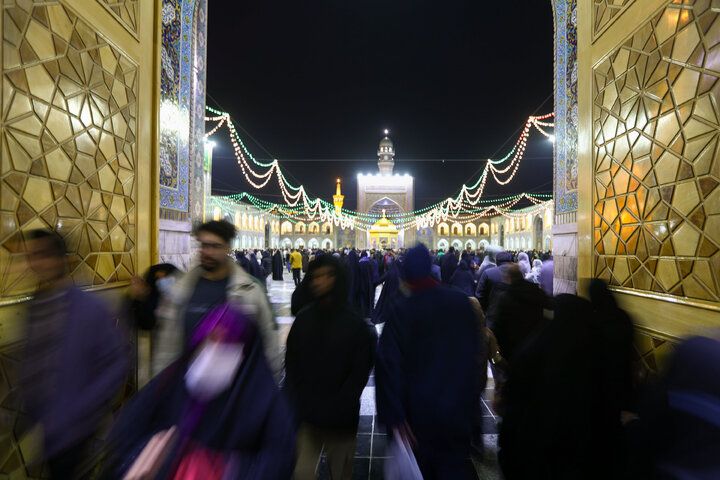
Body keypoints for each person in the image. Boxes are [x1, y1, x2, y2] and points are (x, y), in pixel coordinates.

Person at [104, 304, 295, 479]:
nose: (214, 351)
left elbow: (280, 458)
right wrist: (157, 456)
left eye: (227, 342)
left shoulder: (264, 400)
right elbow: (129, 428)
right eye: (210, 339)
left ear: (246, 353)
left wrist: (222, 470)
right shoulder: (172, 380)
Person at [21, 230, 128, 479]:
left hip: (79, 432)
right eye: (32, 256)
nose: (36, 263)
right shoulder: (35, 306)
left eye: (43, 255)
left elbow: (115, 367)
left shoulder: (91, 308)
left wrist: (79, 412)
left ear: (63, 260)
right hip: (49, 429)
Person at [376, 244, 481, 480]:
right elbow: (473, 359)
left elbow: (387, 364)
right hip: (455, 412)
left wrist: (395, 417)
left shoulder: (402, 309)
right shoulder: (460, 303)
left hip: (415, 418)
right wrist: (471, 411)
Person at [499, 294, 618, 479]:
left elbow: (514, 405)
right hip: (578, 457)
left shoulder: (533, 349)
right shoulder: (596, 357)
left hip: (532, 452)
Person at [285, 254, 374, 480]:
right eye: (316, 276)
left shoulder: (356, 325)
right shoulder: (304, 320)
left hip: (340, 422)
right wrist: (295, 402)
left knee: (340, 473)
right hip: (308, 418)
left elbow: (358, 375)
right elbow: (292, 365)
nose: (321, 282)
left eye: (328, 276)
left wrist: (340, 405)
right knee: (302, 472)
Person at [154, 220, 281, 379]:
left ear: (227, 248)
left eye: (215, 246)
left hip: (238, 391)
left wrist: (266, 389)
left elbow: (269, 343)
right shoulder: (180, 289)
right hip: (186, 388)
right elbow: (167, 347)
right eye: (204, 245)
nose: (207, 252)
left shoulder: (250, 291)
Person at [487, 264, 546, 366]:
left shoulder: (505, 297)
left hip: (513, 352)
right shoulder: (538, 292)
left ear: (509, 278)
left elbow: (498, 325)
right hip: (536, 349)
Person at [475, 250, 513, 315]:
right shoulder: (517, 273)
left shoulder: (488, 273)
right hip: (512, 313)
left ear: (496, 262)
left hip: (492, 313)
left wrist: (486, 308)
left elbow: (479, 294)